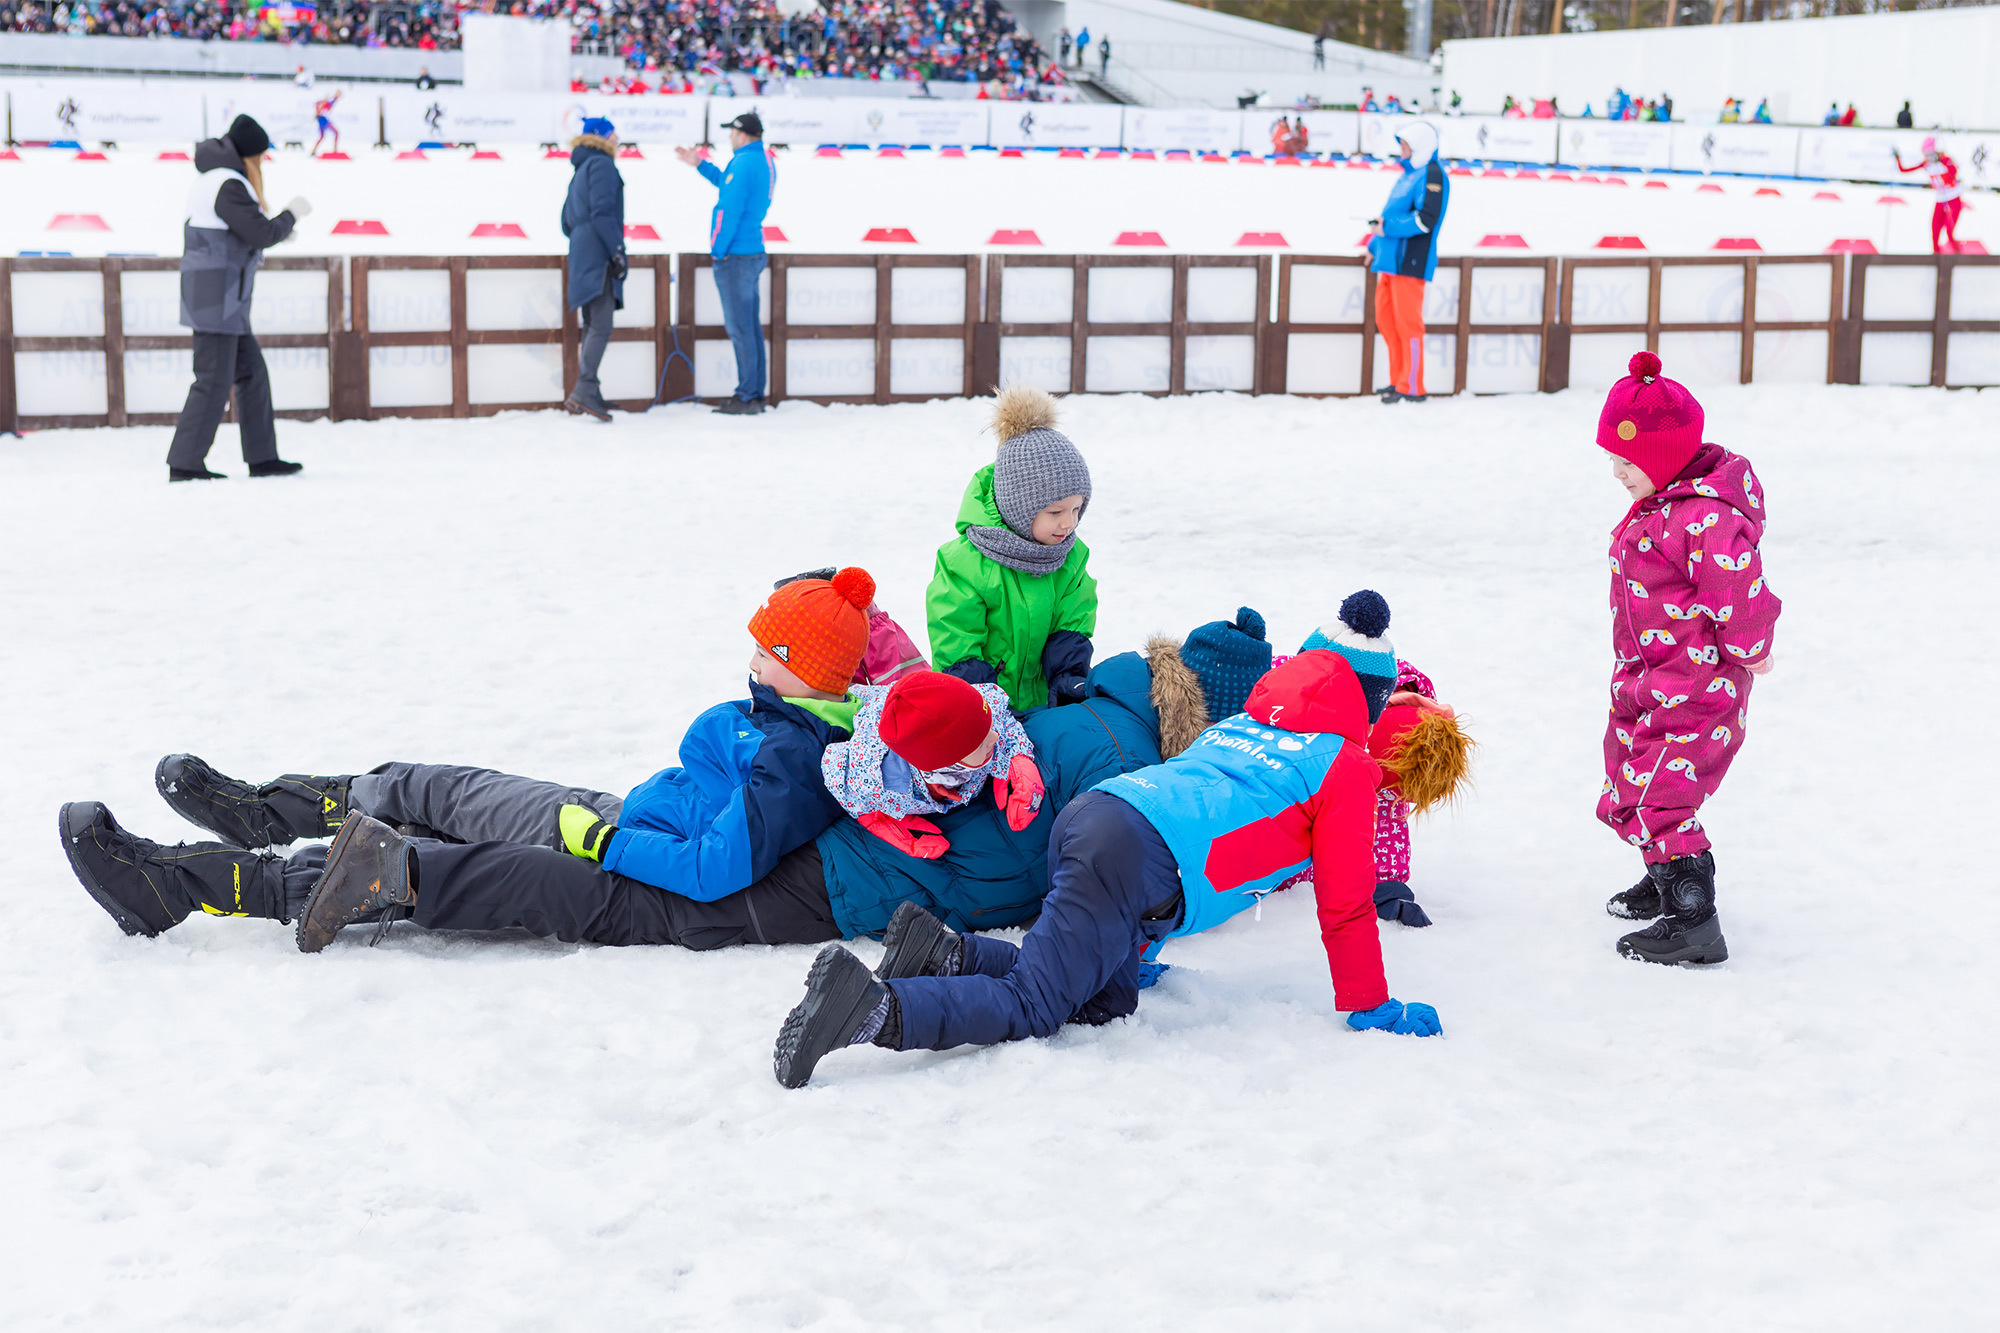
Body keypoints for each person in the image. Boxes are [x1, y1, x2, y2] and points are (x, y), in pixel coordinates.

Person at [63, 571, 898, 952]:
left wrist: (601, 845)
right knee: (449, 788)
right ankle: (265, 810)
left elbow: (716, 868)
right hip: (625, 817)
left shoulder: (799, 756)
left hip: (646, 877)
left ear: (805, 667)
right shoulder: (792, 714)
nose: (750, 660)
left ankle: (188, 887)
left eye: (767, 649)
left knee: (424, 868)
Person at [771, 622, 1444, 1089]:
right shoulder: (1346, 769)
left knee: (1101, 1003)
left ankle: (946, 954)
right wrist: (1369, 1004)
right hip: (1127, 855)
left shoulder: (1250, 723)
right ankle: (868, 1006)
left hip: (1101, 813)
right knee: (1035, 1003)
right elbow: (1346, 902)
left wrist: (1135, 947)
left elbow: (1202, 818)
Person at [1596, 352, 1782, 966]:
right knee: (1632, 772)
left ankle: (1694, 922)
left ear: (1666, 460)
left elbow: (1739, 594)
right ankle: (1664, 873)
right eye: (1614, 462)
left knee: (1661, 795)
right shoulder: (1664, 504)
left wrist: (1754, 652)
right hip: (1651, 677)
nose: (1619, 474)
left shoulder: (1704, 518)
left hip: (1699, 688)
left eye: (1628, 463)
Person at [927, 384, 1096, 711]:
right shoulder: (964, 563)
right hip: (982, 707)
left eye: (1077, 509)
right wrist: (979, 697)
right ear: (1019, 508)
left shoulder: (1072, 558)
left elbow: (1072, 624)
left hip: (1045, 704)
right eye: (1055, 512)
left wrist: (1067, 675)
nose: (1069, 523)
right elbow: (955, 638)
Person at [166, 114, 310, 482]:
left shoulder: (216, 177)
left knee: (251, 373)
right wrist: (291, 216)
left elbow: (247, 231)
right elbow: (259, 233)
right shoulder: (228, 183)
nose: (262, 165)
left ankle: (262, 458)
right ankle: (185, 464)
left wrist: (274, 228)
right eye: (260, 157)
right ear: (249, 155)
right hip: (218, 299)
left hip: (223, 298)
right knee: (213, 380)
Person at [822, 669, 1042, 858]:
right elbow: (846, 788)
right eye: (981, 741)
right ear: (946, 764)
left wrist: (1017, 756)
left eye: (989, 727)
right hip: (880, 734)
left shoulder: (971, 708)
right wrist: (879, 821)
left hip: (914, 702)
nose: (994, 736)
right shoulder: (877, 783)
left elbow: (997, 714)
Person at [676, 111, 774, 414]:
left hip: (736, 255)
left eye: (732, 133)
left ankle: (746, 396)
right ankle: (754, 392)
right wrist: (701, 165)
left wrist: (718, 251)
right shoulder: (762, 160)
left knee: (740, 329)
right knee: (750, 328)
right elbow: (729, 186)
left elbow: (726, 209)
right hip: (752, 250)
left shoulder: (743, 163)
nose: (729, 137)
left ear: (741, 134)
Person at [1368, 121, 1448, 405]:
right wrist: (1373, 246)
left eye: (1405, 145)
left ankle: (1412, 386)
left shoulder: (1432, 175)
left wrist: (1386, 228)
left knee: (1408, 326)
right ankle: (1397, 380)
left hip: (1410, 262)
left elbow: (1425, 220)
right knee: (1387, 323)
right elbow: (1388, 215)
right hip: (1388, 261)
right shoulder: (1408, 175)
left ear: (1419, 146)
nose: (1401, 150)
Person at [560, 116, 626, 422]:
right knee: (601, 323)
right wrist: (616, 251)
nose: (618, 139)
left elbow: (565, 222)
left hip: (581, 252)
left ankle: (589, 391)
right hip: (598, 254)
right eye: (613, 134)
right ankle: (584, 389)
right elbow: (603, 213)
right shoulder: (602, 166)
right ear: (601, 137)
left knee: (592, 323)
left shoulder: (581, 169)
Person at [1895, 136, 1965, 254]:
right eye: (1925, 154)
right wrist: (1897, 159)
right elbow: (1904, 170)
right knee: (1935, 230)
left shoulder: (1945, 160)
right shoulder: (1926, 164)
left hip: (1953, 197)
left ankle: (1959, 255)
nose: (1927, 157)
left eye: (1929, 154)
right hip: (1940, 200)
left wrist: (1942, 161)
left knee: (1949, 231)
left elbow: (1954, 172)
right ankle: (1936, 256)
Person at [310, 88, 340, 156]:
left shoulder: (331, 100)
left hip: (322, 119)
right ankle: (335, 151)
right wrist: (317, 112)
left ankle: (313, 151)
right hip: (322, 119)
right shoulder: (329, 100)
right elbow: (318, 103)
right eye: (338, 94)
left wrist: (317, 112)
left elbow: (319, 104)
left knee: (322, 136)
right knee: (336, 132)